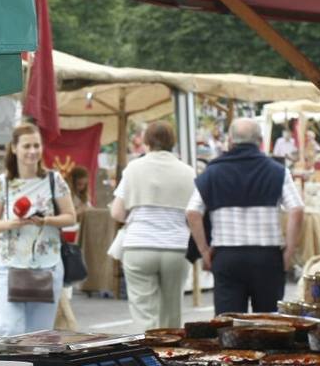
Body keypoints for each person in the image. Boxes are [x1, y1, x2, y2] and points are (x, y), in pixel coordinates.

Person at [186, 118, 304, 315]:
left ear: (230, 140)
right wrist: (289, 252)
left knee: (229, 325)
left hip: (227, 256)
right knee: (268, 323)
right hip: (267, 256)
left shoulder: (213, 171)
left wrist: (204, 250)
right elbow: (297, 209)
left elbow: (192, 211)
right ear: (260, 140)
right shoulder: (277, 171)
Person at [0, 123, 77, 336]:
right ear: (14, 148)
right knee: (9, 330)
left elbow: (70, 217)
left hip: (48, 266)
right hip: (10, 265)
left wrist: (46, 221)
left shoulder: (54, 180)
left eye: (37, 145)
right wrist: (12, 223)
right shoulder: (3, 183)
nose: (32, 151)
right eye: (26, 146)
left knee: (39, 334)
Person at [111, 122, 196, 331]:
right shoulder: (188, 172)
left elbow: (117, 212)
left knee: (144, 312)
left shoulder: (133, 169)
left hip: (139, 244)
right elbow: (194, 213)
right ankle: (169, 356)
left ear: (146, 142)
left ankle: (148, 354)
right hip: (177, 247)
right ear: (172, 142)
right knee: (171, 310)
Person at [53, 165, 90, 331]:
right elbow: (67, 214)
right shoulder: (66, 192)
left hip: (77, 231)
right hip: (67, 232)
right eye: (79, 184)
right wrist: (79, 210)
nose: (81, 187)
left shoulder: (81, 195)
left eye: (84, 184)